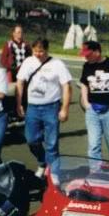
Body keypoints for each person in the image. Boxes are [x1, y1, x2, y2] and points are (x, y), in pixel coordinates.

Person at [16, 38, 72, 177]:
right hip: (33, 108)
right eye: (35, 51)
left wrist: (65, 109)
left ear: (47, 50)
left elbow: (66, 86)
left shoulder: (57, 64)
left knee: (51, 144)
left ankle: (54, 175)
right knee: (31, 140)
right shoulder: (28, 62)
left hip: (51, 107)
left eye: (41, 51)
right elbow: (20, 83)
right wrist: (18, 104)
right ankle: (43, 161)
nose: (38, 54)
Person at [79, 41, 109, 163]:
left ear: (97, 52)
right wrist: (86, 103)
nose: (86, 57)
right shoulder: (87, 66)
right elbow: (84, 84)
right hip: (92, 111)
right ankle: (95, 170)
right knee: (94, 145)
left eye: (88, 54)